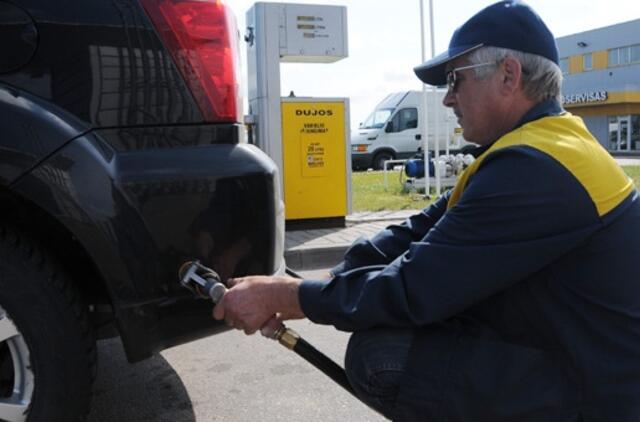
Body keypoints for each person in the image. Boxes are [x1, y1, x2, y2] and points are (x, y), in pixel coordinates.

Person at [213, 1, 640, 420]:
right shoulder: (543, 146)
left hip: (601, 391)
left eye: (455, 80)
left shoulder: (535, 171)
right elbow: (416, 231)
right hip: (578, 352)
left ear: (509, 75)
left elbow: (413, 288)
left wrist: (288, 297)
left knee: (382, 356)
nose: (448, 99)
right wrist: (325, 280)